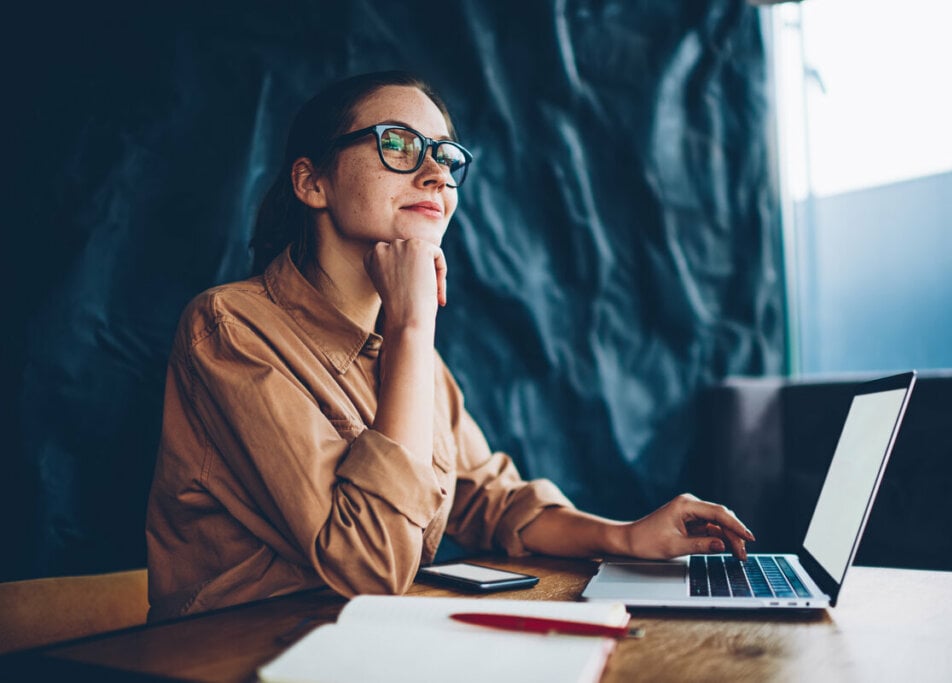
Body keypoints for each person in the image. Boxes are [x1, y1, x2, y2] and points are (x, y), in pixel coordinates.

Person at [145, 70, 754, 622]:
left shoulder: (410, 357)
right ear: (312, 183)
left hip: (365, 644)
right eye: (399, 144)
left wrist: (624, 537)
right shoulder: (228, 327)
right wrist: (413, 328)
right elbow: (367, 566)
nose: (436, 172)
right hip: (234, 653)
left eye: (444, 154)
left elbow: (487, 498)